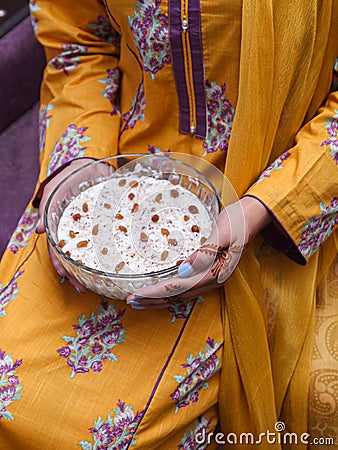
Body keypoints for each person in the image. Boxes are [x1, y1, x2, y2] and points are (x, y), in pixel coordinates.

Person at [0, 0, 337, 448]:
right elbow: (78, 44)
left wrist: (258, 212)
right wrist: (76, 161)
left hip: (283, 188)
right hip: (114, 184)